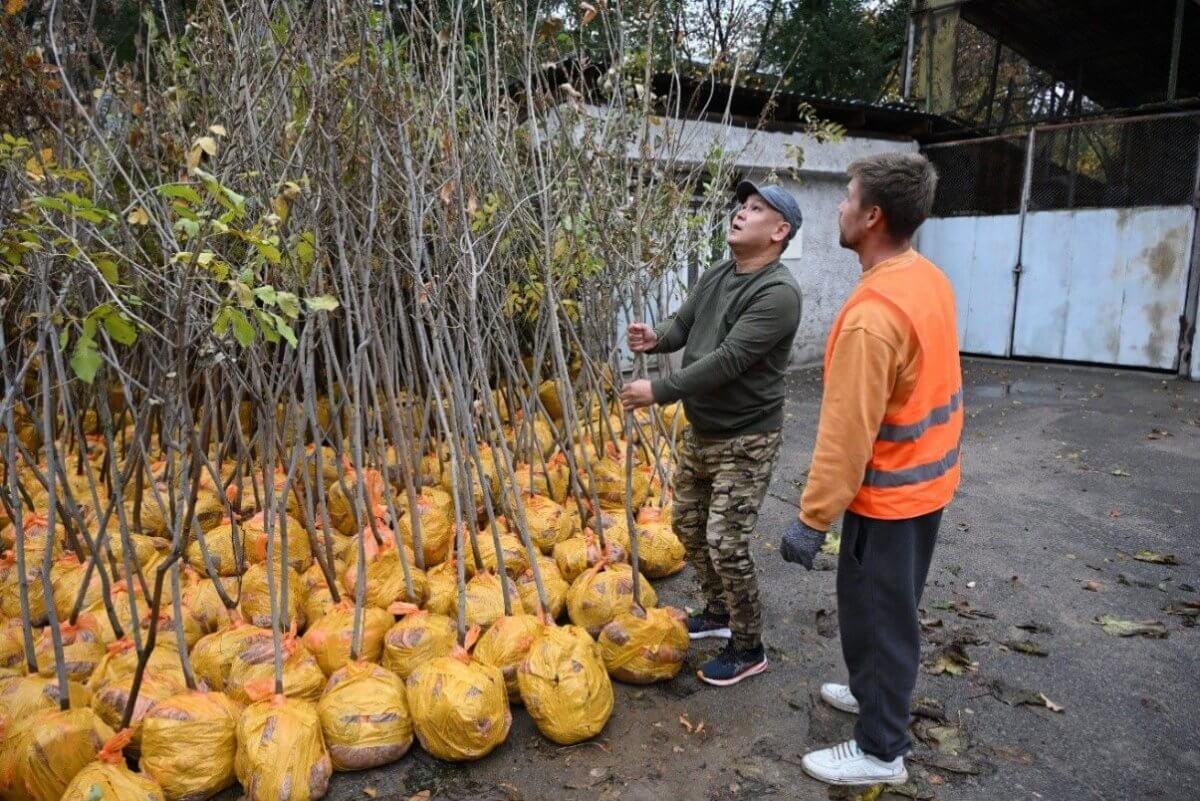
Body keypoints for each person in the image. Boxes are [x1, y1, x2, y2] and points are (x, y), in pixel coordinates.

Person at [779, 152, 962, 786]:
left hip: (889, 495)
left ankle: (882, 750)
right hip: (928, 482)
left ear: (873, 216)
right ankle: (873, 690)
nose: (839, 205)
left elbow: (846, 434)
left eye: (848, 196)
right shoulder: (925, 278)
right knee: (892, 610)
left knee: (878, 618)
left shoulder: (872, 316)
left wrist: (812, 520)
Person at [620, 181, 802, 686]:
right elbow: (682, 328)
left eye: (756, 209)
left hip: (748, 437)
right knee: (686, 526)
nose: (741, 213)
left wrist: (659, 390)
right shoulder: (720, 272)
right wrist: (655, 338)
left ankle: (748, 645)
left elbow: (728, 361)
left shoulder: (778, 293)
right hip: (703, 430)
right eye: (741, 206)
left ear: (779, 231)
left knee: (726, 541)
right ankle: (718, 610)